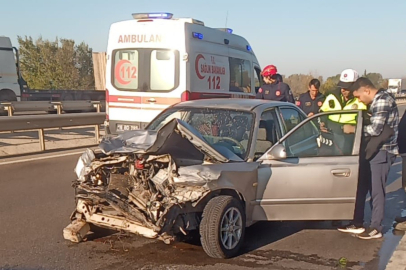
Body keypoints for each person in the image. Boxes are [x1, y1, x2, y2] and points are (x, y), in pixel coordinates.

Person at [339, 77, 399, 239]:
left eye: (358, 96)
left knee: (376, 190)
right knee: (362, 185)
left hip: (382, 151)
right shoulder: (377, 101)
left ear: (366, 90)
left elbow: (375, 129)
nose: (359, 100)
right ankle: (357, 222)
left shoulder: (382, 101)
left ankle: (375, 227)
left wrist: (353, 129)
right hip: (372, 150)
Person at [319, 69, 367, 155]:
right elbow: (322, 113)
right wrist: (322, 123)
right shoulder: (331, 96)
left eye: (346, 87)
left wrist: (352, 128)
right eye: (342, 86)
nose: (343, 90)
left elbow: (364, 121)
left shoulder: (360, 100)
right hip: (329, 135)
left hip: (349, 138)